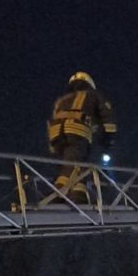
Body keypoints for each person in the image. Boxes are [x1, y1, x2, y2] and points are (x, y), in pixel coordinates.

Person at [47, 71, 116, 204]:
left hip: (56, 134)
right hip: (76, 130)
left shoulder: (62, 99)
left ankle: (79, 195)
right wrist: (109, 139)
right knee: (76, 163)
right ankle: (60, 192)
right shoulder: (92, 95)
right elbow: (107, 118)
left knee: (73, 165)